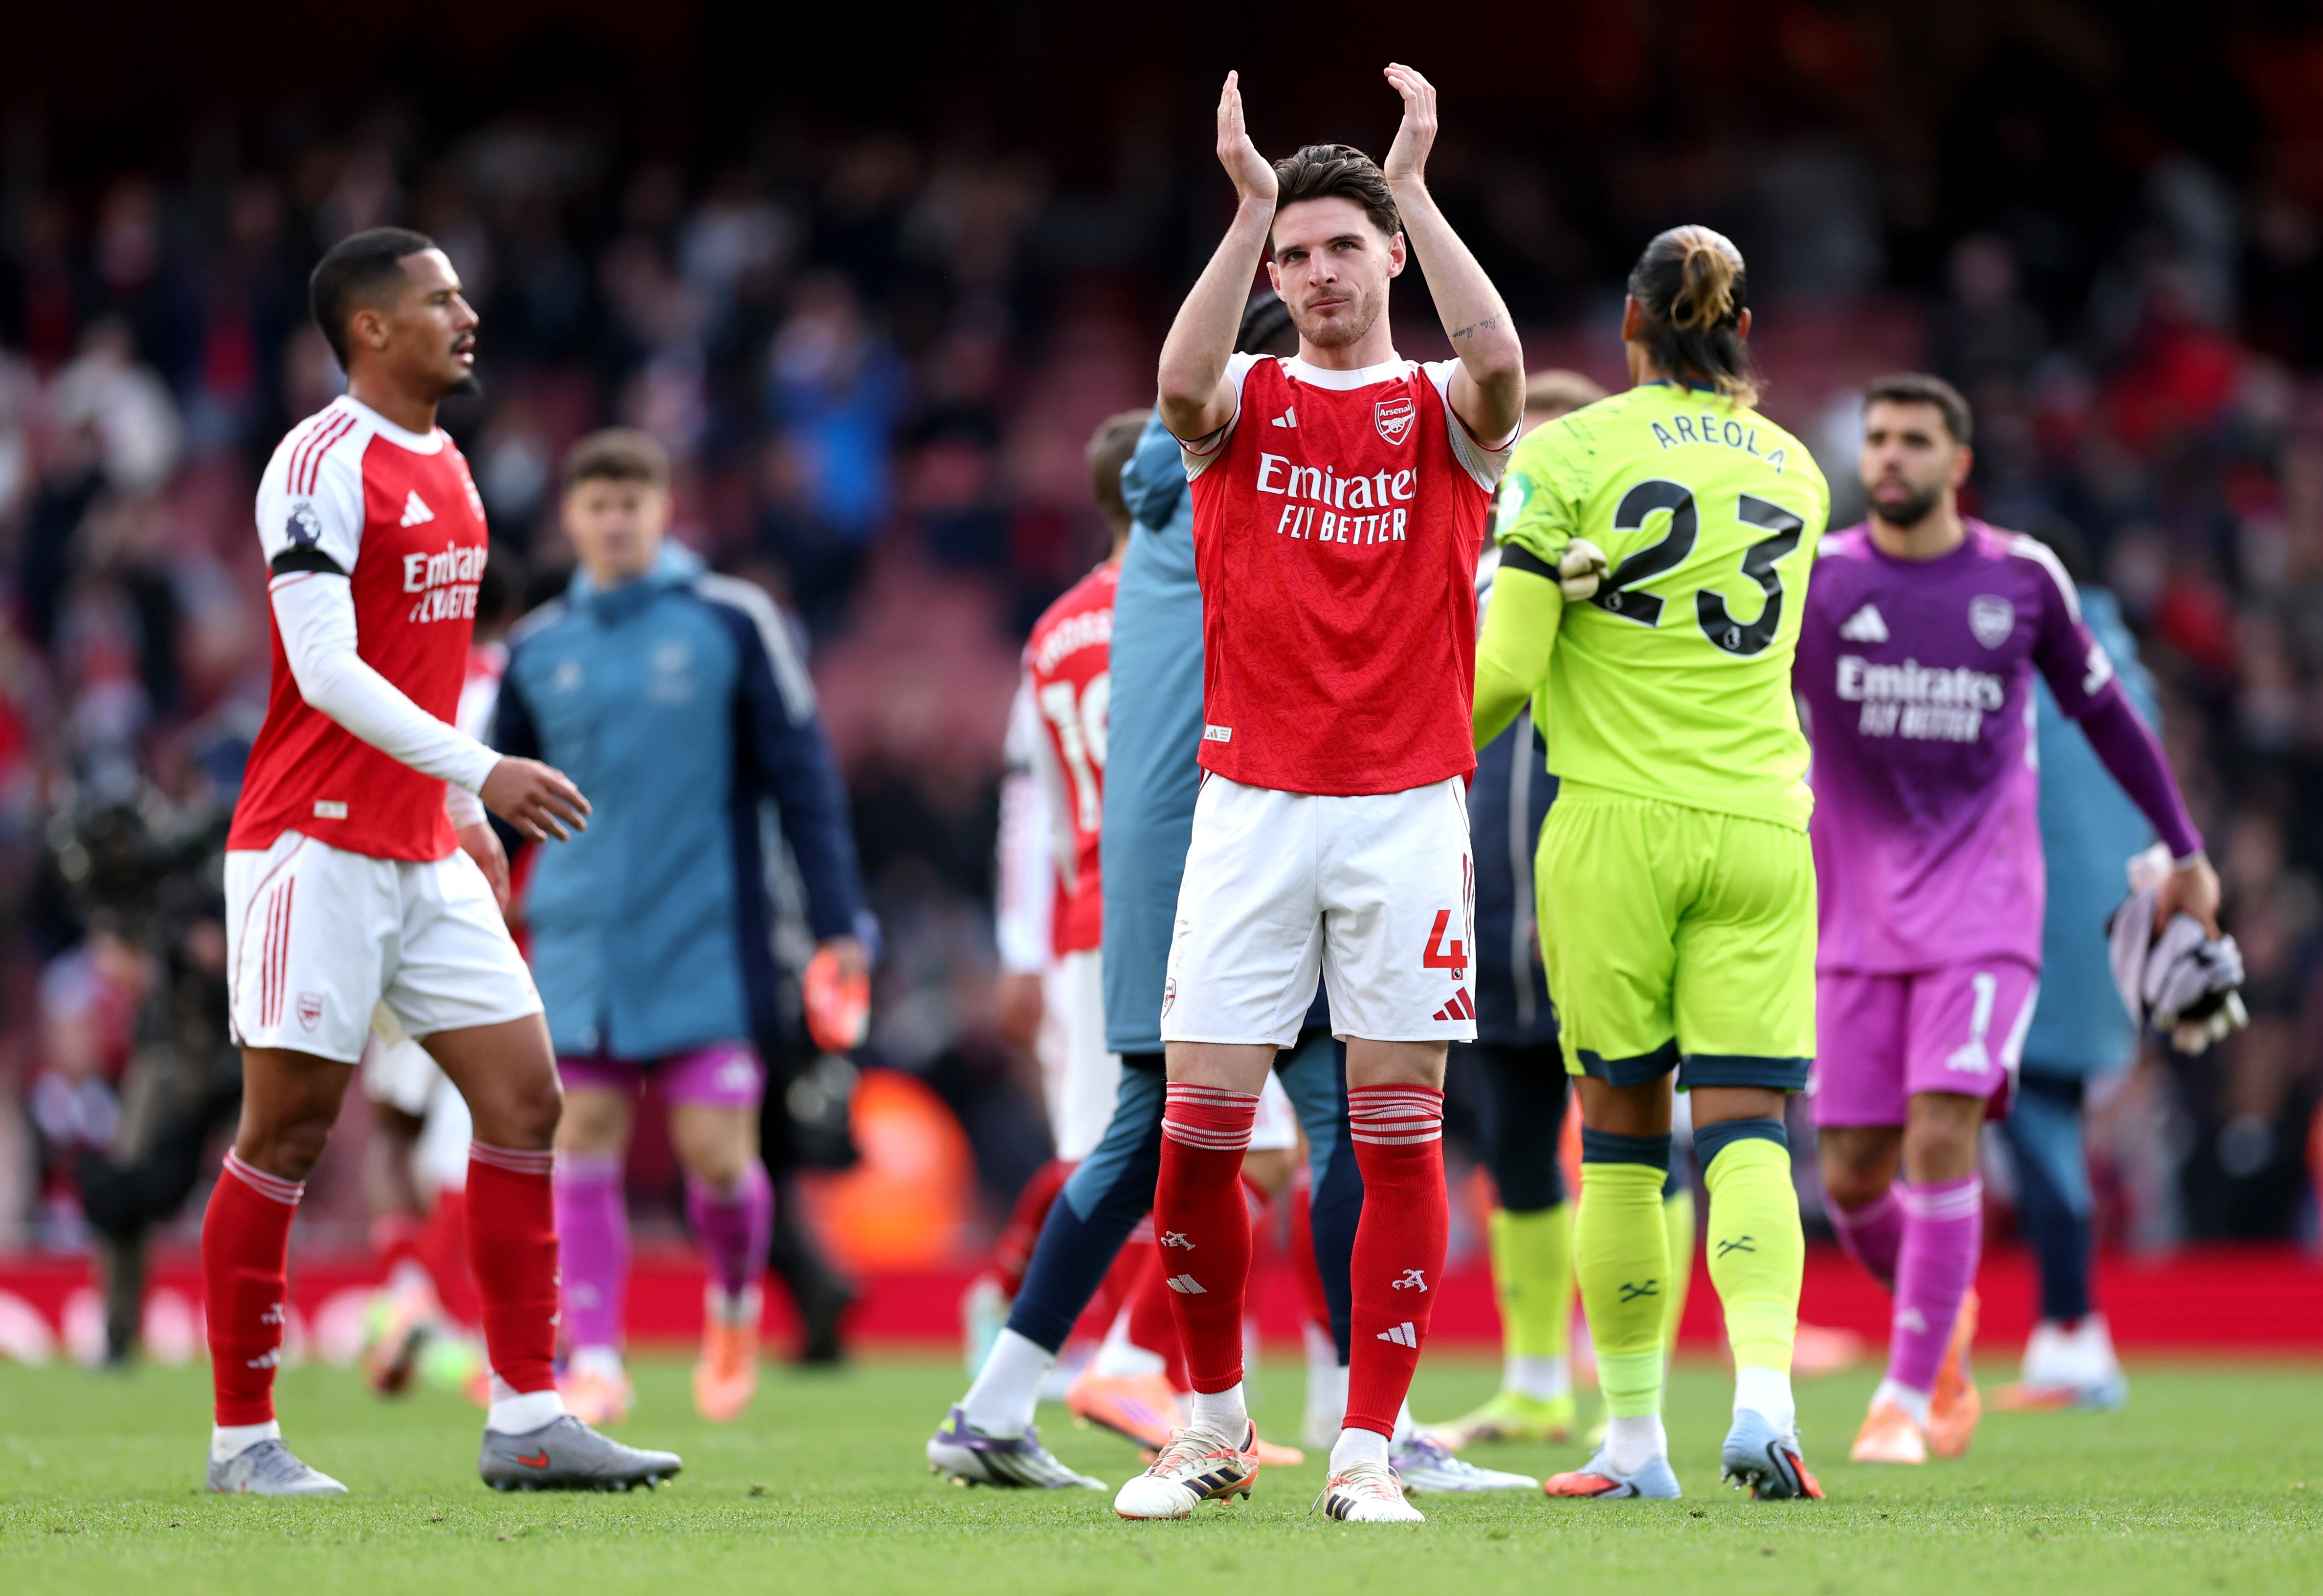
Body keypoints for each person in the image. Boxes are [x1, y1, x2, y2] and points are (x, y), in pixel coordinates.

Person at [205, 227, 678, 1494]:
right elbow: (324, 668)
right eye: (440, 299)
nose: (468, 316)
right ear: (371, 328)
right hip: (313, 844)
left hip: (424, 848)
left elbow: (422, 666)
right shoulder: (317, 463)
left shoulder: (454, 464)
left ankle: (529, 1416)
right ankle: (243, 1438)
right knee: (288, 1130)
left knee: (526, 1100)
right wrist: (485, 767)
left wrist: (459, 804)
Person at [1118, 64, 1524, 1526]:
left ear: (1393, 256)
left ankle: (1367, 1449)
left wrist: (1412, 181)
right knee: (1198, 1136)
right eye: (1295, 254)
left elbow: (1503, 366)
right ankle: (1214, 1428)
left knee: (1397, 1127)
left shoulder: (1440, 411)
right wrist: (1246, 211)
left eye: (1343, 245)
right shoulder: (1244, 401)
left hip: (1407, 810)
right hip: (1252, 806)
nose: (1317, 272)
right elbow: (1175, 387)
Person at [923, 316, 1367, 1495]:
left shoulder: (1099, 581)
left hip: (1130, 874)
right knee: (1334, 1118)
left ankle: (998, 1404)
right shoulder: (1240, 483)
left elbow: (1028, 800)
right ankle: (1365, 1422)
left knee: (1141, 1142)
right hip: (1224, 856)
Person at [1795, 375, 2215, 1464]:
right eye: (1878, 438)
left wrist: (2186, 852)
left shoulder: (2021, 578)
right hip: (1853, 921)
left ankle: (1905, 1396)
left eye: (1914, 439)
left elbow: (2108, 716)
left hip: (1985, 913)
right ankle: (1943, 1315)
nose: (1891, 457)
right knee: (1852, 1175)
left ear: (1959, 460)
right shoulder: (1818, 577)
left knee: (1943, 1130)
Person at [1475, 225, 1831, 1502]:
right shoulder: (1800, 470)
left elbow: (1506, 674)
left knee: (1623, 1139)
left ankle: (1633, 1441)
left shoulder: (1567, 454)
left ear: (1629, 326)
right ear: (1743, 332)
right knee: (1749, 1130)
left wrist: (1389, 750)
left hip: (1617, 827)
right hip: (1763, 827)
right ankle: (1766, 1397)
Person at [494, 428, 869, 1427]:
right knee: (583, 1140)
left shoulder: (732, 622)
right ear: (571, 518)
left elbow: (805, 780)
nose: (615, 522)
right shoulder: (537, 650)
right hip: (580, 939)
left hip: (710, 937)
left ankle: (736, 1306)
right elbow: (495, 808)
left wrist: (839, 923)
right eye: (598, 505)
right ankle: (596, 1357)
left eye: (633, 503)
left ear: (665, 511)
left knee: (718, 1158)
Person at [1997, 524, 2149, 1412]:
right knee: (2051, 1114)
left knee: (2036, 1118)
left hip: (2032, 929)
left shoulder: (2032, 670)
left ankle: (2073, 1331)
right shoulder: (2127, 671)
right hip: (2107, 936)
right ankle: (2069, 1331)